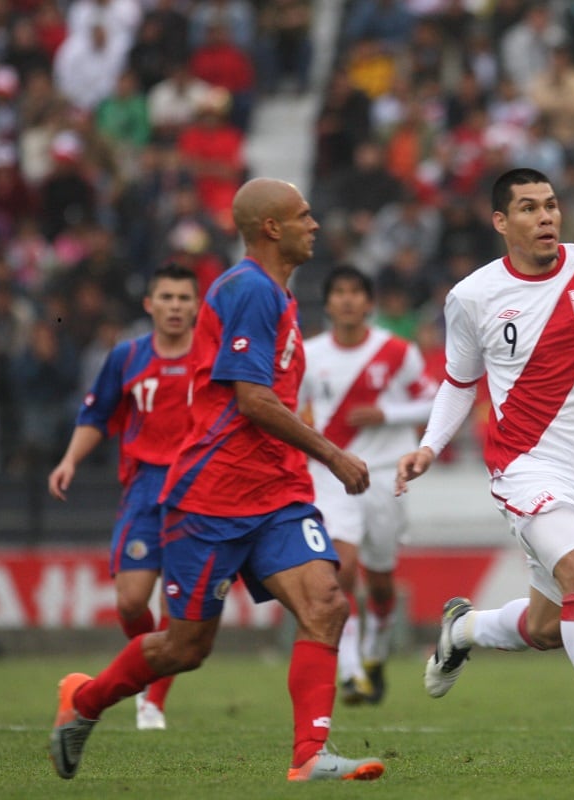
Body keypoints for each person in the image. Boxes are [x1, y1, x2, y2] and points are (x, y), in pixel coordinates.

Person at [48, 178, 385, 782]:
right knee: (185, 648)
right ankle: (85, 701)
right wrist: (333, 455)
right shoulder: (249, 290)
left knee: (327, 604)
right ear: (272, 228)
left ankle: (309, 757)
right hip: (214, 496)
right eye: (304, 216)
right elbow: (252, 399)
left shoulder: (278, 295)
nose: (315, 225)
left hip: (277, 493)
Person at [395, 167, 574, 772]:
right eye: (529, 208)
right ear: (501, 222)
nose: (546, 217)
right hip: (525, 466)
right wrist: (428, 446)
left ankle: (464, 630)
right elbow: (458, 382)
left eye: (551, 205)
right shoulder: (472, 297)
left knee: (549, 627)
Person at [48, 263, 200, 731]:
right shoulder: (127, 356)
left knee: (180, 614)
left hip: (197, 490)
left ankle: (151, 699)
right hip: (144, 488)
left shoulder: (213, 358)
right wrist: (70, 459)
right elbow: (96, 415)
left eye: (184, 298)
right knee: (132, 602)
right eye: (167, 297)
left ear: (197, 306)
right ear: (149, 304)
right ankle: (145, 672)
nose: (175, 306)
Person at [297, 264, 435, 705]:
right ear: (329, 301)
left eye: (356, 291)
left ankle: (375, 654)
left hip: (381, 475)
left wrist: (387, 414)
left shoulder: (396, 352)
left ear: (369, 302)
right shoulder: (309, 354)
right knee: (340, 570)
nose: (348, 299)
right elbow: (292, 412)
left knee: (379, 581)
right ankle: (352, 671)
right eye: (339, 291)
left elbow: (437, 400)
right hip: (332, 473)